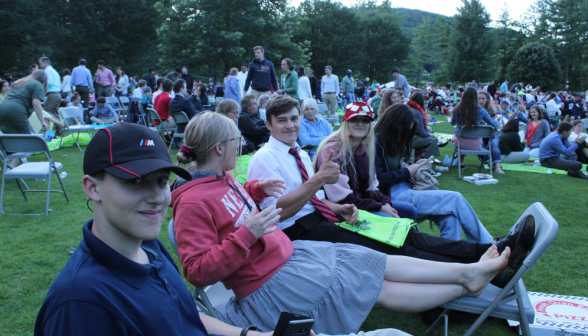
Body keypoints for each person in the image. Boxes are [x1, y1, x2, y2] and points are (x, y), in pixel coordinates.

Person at [170, 111, 520, 336]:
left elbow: (232, 204)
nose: (240, 147)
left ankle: (469, 272)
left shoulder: (223, 179)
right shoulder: (191, 201)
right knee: (375, 287)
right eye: (236, 142)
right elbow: (197, 271)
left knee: (376, 261)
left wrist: (255, 187)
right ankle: (468, 280)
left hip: (291, 256)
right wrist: (248, 234)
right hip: (272, 282)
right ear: (218, 149)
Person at [34, 122, 278, 336]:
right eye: (135, 182)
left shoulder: (149, 247)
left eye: (161, 181)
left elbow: (184, 315)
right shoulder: (80, 303)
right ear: (93, 188)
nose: (156, 197)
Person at [248, 96, 533, 264]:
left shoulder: (306, 150)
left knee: (408, 233)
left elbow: (366, 188)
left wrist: (369, 206)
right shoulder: (302, 154)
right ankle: (482, 261)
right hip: (301, 230)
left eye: (294, 119)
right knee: (400, 242)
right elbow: (278, 214)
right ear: (269, 124)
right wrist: (330, 192)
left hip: (332, 215)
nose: (291, 125)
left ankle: (488, 251)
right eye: (282, 120)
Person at [314, 101, 416, 220]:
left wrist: (386, 203)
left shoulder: (365, 149)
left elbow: (371, 188)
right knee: (388, 218)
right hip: (341, 211)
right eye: (354, 119)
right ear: (346, 122)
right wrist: (380, 207)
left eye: (365, 120)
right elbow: (341, 199)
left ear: (370, 124)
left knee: (410, 210)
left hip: (360, 202)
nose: (360, 123)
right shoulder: (332, 151)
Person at [451, 87, 500, 172]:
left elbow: (452, 123)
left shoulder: (457, 109)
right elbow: (493, 124)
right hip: (476, 145)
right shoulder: (481, 110)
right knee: (462, 136)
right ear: (475, 97)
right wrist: (497, 120)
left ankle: (461, 164)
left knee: (458, 136)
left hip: (459, 143)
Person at [0, 70, 48, 134]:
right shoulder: (38, 85)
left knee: (7, 138)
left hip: (2, 107)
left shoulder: (19, 82)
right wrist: (43, 121)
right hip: (16, 111)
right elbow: (36, 104)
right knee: (26, 139)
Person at [478, 91, 505, 174]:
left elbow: (495, 125)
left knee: (494, 144)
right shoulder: (473, 111)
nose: (481, 101)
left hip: (492, 134)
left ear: (487, 100)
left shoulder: (493, 111)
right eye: (479, 99)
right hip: (478, 135)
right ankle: (490, 164)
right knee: (479, 145)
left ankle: (497, 166)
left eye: (483, 98)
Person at [407, 92, 440, 159]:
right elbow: (422, 133)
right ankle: (425, 162)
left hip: (405, 137)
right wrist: (432, 135)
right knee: (432, 141)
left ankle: (422, 157)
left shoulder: (408, 108)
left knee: (429, 132)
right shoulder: (417, 112)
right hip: (408, 139)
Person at [38, 56, 63, 134]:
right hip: (57, 93)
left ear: (45, 63)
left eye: (40, 64)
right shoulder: (54, 71)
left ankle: (58, 126)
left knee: (46, 111)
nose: (40, 66)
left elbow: (49, 82)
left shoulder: (47, 71)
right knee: (54, 112)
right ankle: (59, 130)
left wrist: (41, 86)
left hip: (52, 93)